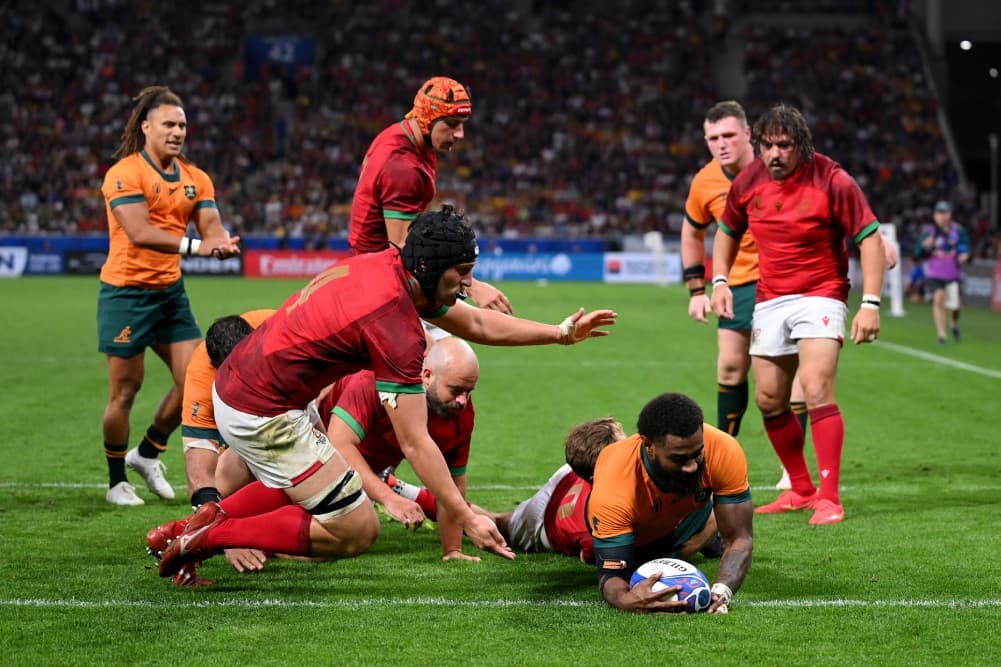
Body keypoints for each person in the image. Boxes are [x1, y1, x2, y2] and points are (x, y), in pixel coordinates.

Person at [150, 205, 617, 582]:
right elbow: (416, 442)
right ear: (430, 268)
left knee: (302, 488)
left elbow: (474, 322)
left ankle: (183, 528)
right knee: (356, 529)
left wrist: (558, 332)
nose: (469, 285)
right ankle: (210, 538)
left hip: (255, 386)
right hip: (263, 409)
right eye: (462, 273)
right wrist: (466, 517)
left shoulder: (392, 265)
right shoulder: (395, 328)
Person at [710, 103, 886, 526]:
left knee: (816, 385)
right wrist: (719, 280)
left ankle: (830, 498)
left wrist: (871, 304)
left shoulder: (832, 179)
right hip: (771, 298)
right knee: (769, 398)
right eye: (767, 145)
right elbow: (727, 232)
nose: (774, 154)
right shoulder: (748, 181)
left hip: (821, 294)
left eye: (784, 146)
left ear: (801, 146)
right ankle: (801, 488)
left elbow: (871, 238)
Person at [98, 85, 242, 506]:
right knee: (125, 391)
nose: (178, 132)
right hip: (126, 294)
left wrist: (218, 240)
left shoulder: (195, 178)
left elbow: (210, 222)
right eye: (169, 124)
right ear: (146, 127)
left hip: (169, 295)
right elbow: (140, 232)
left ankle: (146, 452)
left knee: (199, 377)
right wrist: (200, 248)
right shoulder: (124, 173)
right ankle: (115, 482)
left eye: (182, 125)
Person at [348, 76, 512, 316]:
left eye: (463, 123)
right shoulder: (403, 166)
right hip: (380, 289)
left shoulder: (399, 137)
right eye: (453, 124)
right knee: (459, 350)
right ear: (428, 118)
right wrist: (471, 286)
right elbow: (403, 252)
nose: (460, 134)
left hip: (374, 276)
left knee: (471, 332)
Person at [315, 337, 483, 561]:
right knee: (349, 533)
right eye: (455, 390)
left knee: (357, 526)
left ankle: (505, 522)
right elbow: (339, 444)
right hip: (314, 452)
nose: (462, 401)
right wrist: (388, 498)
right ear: (426, 376)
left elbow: (452, 486)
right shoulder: (376, 379)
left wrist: (453, 549)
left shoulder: (459, 415)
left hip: (365, 471)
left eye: (469, 391)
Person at [585, 393, 753, 614]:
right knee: (635, 562)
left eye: (697, 453)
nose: (692, 465)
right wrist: (626, 599)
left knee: (715, 507)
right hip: (637, 532)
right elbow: (612, 577)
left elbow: (740, 537)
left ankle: (697, 530)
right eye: (679, 458)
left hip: (687, 507)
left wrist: (722, 590)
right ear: (649, 445)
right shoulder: (614, 488)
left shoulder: (722, 448)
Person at [386, 417, 627, 563]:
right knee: (499, 526)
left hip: (570, 474)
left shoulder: (604, 466)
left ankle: (398, 487)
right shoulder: (593, 529)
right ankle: (397, 490)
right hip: (544, 518)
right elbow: (596, 557)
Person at [915, 200, 970, 343]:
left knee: (956, 305)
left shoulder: (958, 230)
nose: (942, 217)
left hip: (953, 273)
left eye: (945, 213)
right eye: (939, 213)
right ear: (934, 215)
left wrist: (964, 255)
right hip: (935, 273)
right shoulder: (929, 232)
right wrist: (924, 247)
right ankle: (942, 335)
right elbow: (917, 252)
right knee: (938, 300)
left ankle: (953, 323)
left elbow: (966, 246)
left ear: (950, 215)